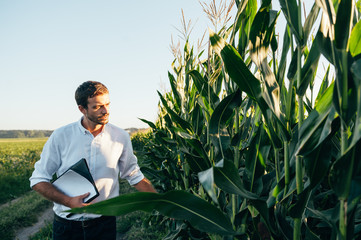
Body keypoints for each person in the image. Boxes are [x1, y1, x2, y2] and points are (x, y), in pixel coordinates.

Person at [30, 81, 157, 240]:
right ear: (82, 109)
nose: (106, 111)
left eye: (107, 104)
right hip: (66, 227)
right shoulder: (61, 136)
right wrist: (69, 201)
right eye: (97, 107)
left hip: (104, 225)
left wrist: (162, 203)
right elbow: (38, 179)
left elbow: (133, 175)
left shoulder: (120, 137)